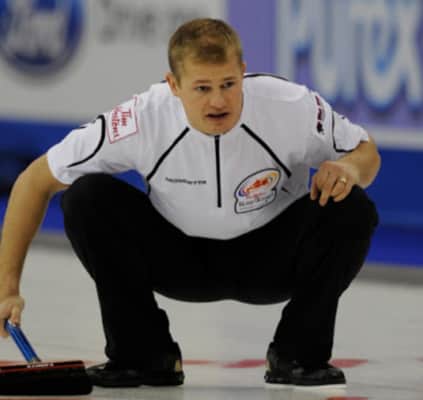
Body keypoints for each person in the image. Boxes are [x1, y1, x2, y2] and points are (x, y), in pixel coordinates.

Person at [0, 18, 380, 389]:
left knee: (352, 206)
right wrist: (7, 288)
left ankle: (298, 354)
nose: (218, 100)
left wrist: (348, 168)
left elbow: (366, 152)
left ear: (243, 72)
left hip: (273, 259)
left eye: (228, 84)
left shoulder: (291, 105)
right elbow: (34, 181)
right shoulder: (141, 118)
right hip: (179, 259)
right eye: (201, 88)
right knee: (86, 198)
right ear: (174, 85)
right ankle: (143, 354)